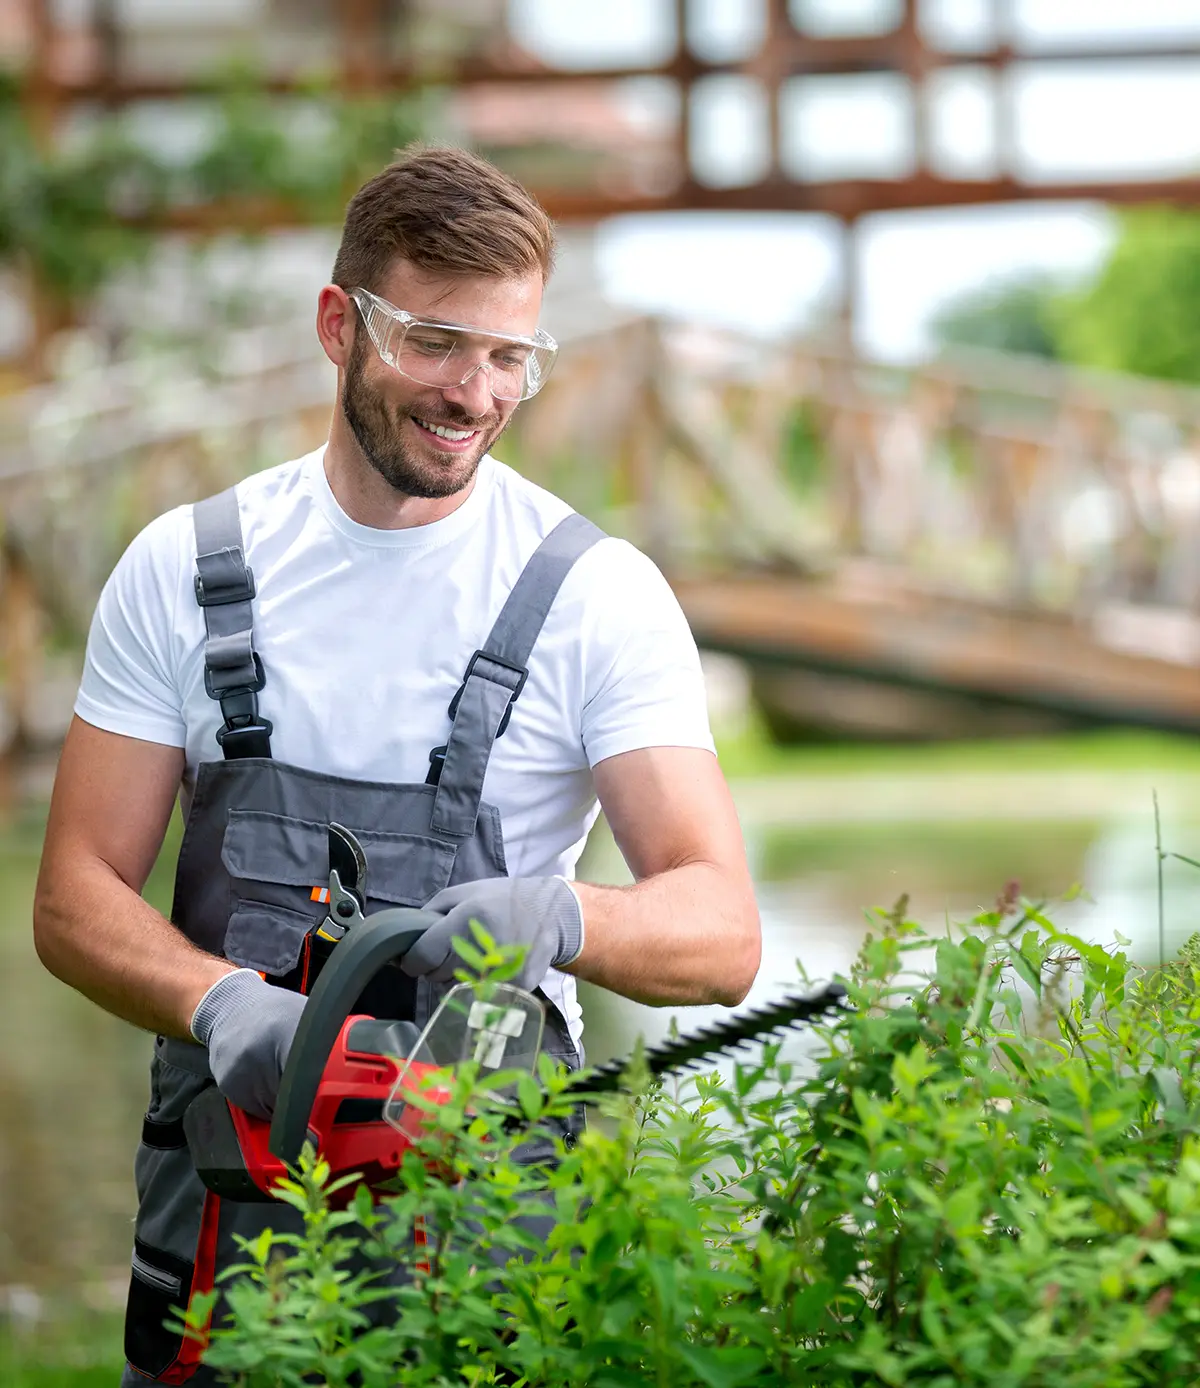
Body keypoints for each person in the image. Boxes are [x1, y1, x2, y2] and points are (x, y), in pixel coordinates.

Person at [33, 144, 761, 1385]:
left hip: (490, 1220)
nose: (473, 391)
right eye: (435, 340)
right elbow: (70, 899)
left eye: (509, 357)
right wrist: (219, 1003)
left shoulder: (595, 596)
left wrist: (562, 912)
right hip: (225, 1214)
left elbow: (723, 932)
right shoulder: (183, 565)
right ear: (339, 324)